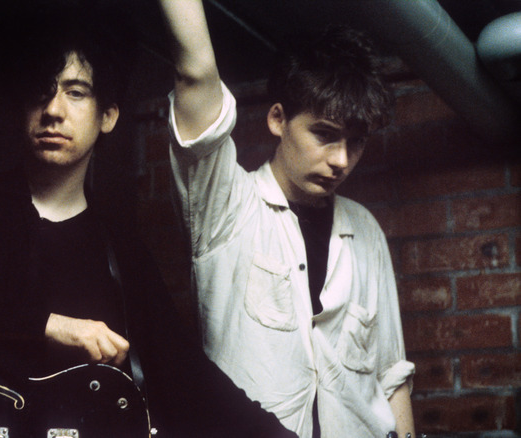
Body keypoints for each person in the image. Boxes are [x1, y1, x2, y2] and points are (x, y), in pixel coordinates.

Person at [0, 5, 297, 437]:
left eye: (76, 92)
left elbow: (192, 379)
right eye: (41, 90)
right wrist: (47, 326)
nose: (53, 110)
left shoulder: (122, 253)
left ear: (109, 115)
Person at [160, 1, 416, 437]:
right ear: (278, 119)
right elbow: (197, 74)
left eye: (356, 143)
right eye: (325, 135)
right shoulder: (227, 207)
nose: (341, 160)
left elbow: (392, 376)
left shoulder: (365, 230)